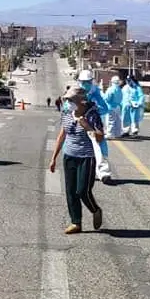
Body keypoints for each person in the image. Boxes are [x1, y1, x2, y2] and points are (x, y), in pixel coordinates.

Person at [49, 85, 104, 234]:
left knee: (82, 191)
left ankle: (96, 210)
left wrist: (86, 126)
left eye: (71, 99)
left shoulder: (92, 115)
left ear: (81, 101)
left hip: (87, 157)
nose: (68, 102)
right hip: (69, 155)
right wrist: (53, 158)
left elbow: (100, 137)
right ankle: (76, 222)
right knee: (71, 191)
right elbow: (62, 134)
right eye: (67, 99)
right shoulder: (66, 112)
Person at [76, 69, 113, 182]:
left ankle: (104, 173)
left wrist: (94, 107)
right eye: (83, 82)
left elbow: (104, 108)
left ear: (91, 81)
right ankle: (79, 171)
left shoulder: (95, 92)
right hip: (79, 122)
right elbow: (68, 106)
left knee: (100, 145)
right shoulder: (76, 91)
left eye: (87, 82)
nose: (85, 84)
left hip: (93, 123)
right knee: (77, 146)